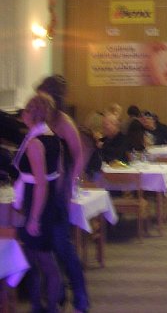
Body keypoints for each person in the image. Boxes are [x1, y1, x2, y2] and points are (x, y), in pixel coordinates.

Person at [36, 75, 90, 312]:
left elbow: (78, 156)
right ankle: (56, 293)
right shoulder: (41, 119)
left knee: (62, 246)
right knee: (46, 247)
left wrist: (70, 185)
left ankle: (80, 294)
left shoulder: (64, 122)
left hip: (59, 189)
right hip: (42, 189)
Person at [13, 93, 65, 312]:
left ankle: (50, 306)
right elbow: (59, 174)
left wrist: (34, 217)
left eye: (25, 110)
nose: (22, 114)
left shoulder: (35, 143)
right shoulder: (52, 137)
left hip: (37, 204)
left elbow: (41, 184)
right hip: (47, 202)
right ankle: (40, 305)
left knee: (42, 260)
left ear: (32, 114)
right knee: (35, 257)